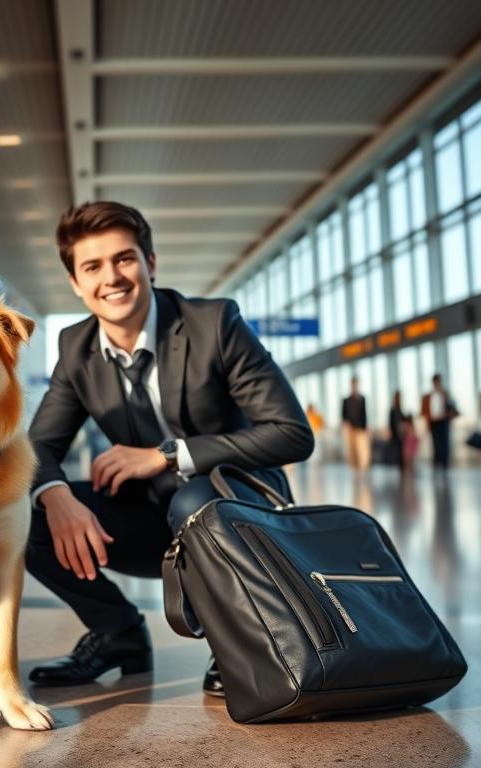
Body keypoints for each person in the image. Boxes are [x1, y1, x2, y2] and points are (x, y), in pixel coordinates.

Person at [25, 201, 314, 694]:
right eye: (92, 267)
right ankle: (119, 634)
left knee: (194, 500)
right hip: (152, 521)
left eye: (125, 259)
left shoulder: (213, 324)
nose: (111, 277)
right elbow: (35, 450)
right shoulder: (77, 348)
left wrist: (166, 454)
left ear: (150, 262)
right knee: (22, 516)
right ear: (76, 283)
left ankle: (238, 639)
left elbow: (291, 432)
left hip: (237, 511)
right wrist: (56, 497)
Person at [420, 374, 457, 470]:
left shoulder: (445, 394)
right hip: (433, 422)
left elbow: (452, 407)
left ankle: (444, 463)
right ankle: (437, 462)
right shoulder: (428, 396)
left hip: (444, 421)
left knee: (445, 442)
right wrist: (427, 423)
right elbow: (424, 411)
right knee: (436, 443)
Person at [341, 376, 370, 472]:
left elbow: (365, 414)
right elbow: (343, 416)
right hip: (351, 430)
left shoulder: (362, 399)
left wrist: (366, 428)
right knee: (352, 451)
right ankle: (355, 469)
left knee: (363, 450)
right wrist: (346, 426)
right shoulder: (346, 400)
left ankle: (363, 468)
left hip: (361, 429)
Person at [388, 390, 408, 473]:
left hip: (400, 434)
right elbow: (391, 423)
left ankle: (402, 467)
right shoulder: (393, 409)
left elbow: (403, 419)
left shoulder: (399, 409)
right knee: (396, 452)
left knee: (401, 452)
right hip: (395, 434)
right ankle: (397, 467)